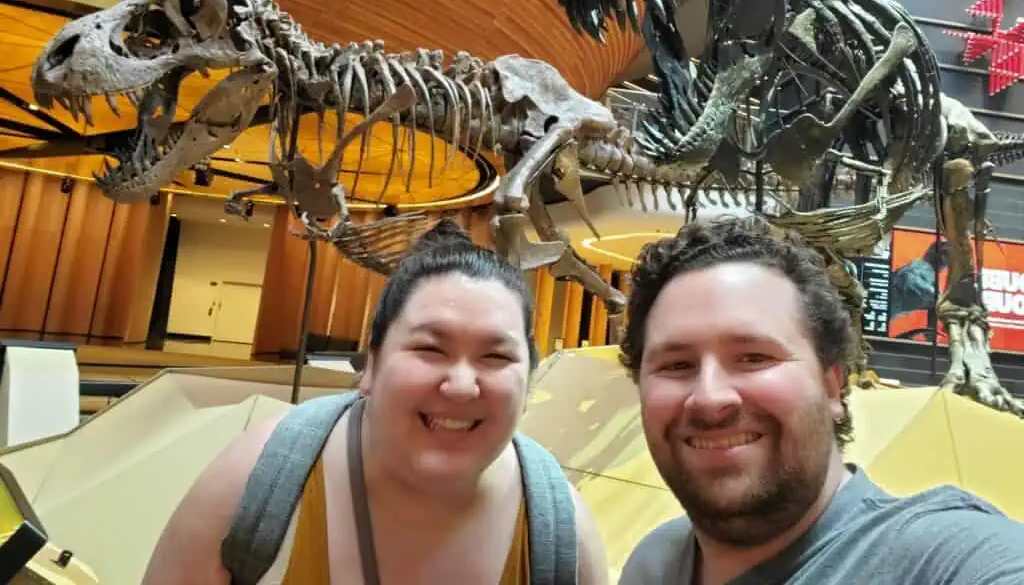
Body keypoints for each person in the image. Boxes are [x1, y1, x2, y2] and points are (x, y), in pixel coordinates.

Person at [142, 218, 608, 584]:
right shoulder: (255, 483)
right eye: (430, 348)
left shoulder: (560, 535)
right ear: (373, 364)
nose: (462, 385)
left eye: (496, 356)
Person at [616, 216, 1024, 585]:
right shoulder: (654, 564)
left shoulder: (945, 560)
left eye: (754, 357)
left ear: (832, 386)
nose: (709, 398)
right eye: (676, 365)